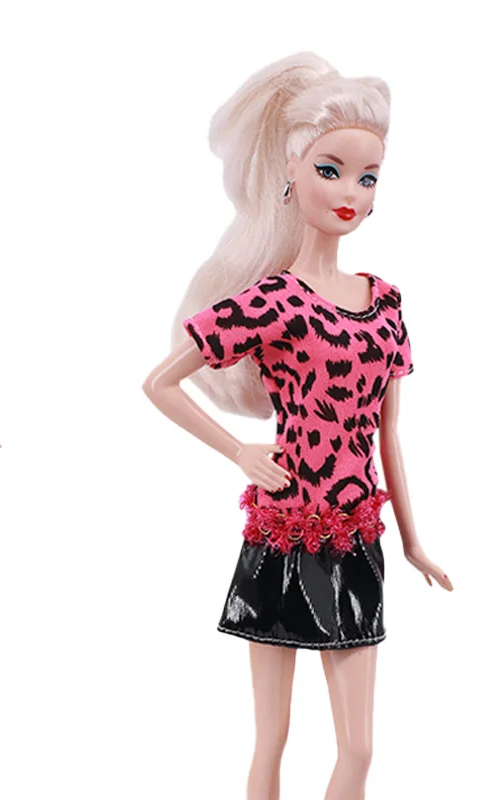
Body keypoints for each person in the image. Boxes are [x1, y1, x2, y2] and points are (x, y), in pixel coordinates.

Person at [142, 51, 453, 800]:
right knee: (272, 740)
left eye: (367, 177)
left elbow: (389, 433)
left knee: (359, 749)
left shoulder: (385, 303)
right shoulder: (273, 300)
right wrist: (238, 450)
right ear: (291, 170)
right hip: (285, 529)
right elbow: (160, 382)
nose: (350, 193)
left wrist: (411, 539)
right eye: (330, 170)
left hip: (358, 532)